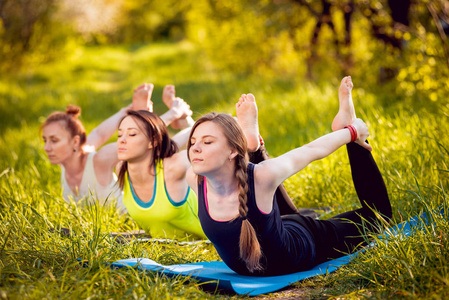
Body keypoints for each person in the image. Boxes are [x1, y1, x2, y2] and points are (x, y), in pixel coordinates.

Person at [186, 76, 393, 276]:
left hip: (302, 242)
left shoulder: (262, 175)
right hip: (278, 223)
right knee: (274, 208)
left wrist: (352, 132)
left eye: (207, 142)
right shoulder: (195, 180)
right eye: (193, 141)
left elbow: (311, 150)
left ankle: (348, 133)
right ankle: (253, 145)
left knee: (378, 216)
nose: (195, 148)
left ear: (233, 151)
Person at [41, 83, 191, 207]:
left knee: (171, 148)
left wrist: (173, 113)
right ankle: (157, 117)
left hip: (135, 219)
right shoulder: (66, 160)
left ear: (74, 142)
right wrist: (123, 112)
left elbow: (139, 140)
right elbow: (99, 133)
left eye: (54, 141)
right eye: (45, 140)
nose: (46, 148)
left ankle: (183, 119)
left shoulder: (99, 161)